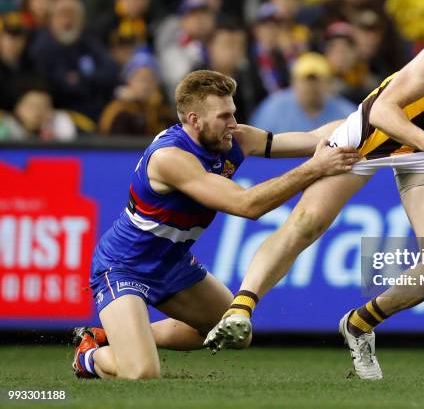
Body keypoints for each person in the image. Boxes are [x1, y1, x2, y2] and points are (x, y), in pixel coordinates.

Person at [204, 12, 424, 380]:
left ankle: (360, 323)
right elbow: (384, 108)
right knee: (307, 222)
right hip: (375, 132)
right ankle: (240, 308)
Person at [71, 69, 359, 380]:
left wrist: (371, 115)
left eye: (233, 113)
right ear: (194, 120)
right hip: (123, 265)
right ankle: (89, 356)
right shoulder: (170, 158)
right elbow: (247, 205)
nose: (233, 124)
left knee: (235, 332)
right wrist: (314, 168)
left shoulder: (236, 137)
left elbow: (316, 138)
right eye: (224, 116)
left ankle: (110, 337)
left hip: (172, 263)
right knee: (142, 373)